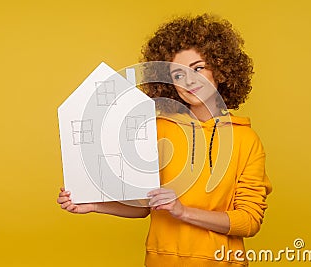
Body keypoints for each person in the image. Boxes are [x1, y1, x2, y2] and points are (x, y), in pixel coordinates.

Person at [57, 14, 272, 266]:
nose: (189, 81)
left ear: (221, 68)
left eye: (198, 67)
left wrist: (183, 212)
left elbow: (249, 221)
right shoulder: (156, 128)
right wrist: (93, 204)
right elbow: (144, 204)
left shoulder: (246, 139)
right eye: (178, 75)